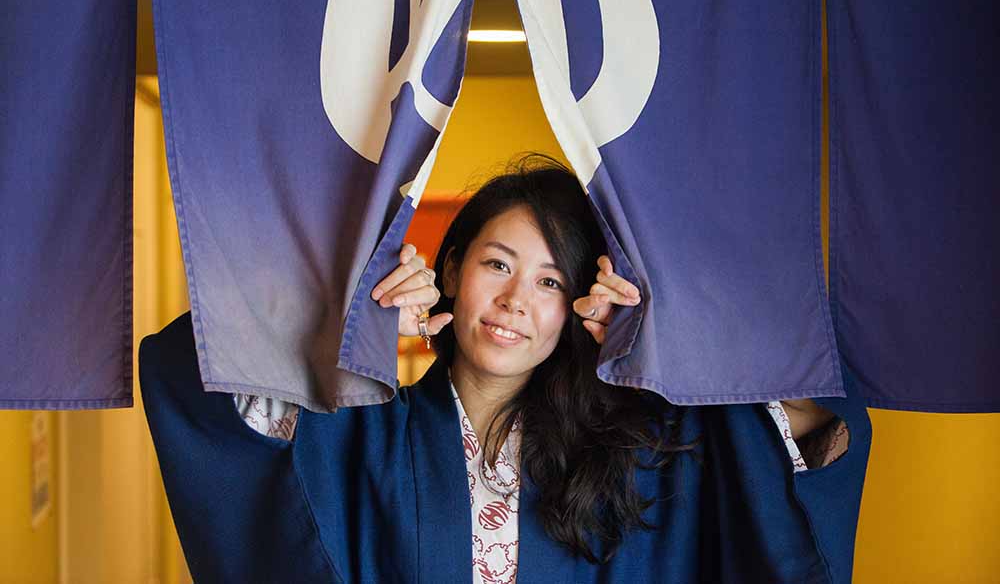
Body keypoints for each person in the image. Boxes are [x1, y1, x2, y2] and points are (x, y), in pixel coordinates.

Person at [140, 156, 870, 584]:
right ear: (452, 269)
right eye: (498, 264)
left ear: (579, 303)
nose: (517, 301)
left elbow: (813, 432)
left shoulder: (639, 447)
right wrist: (337, 324)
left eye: (552, 282)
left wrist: (680, 343)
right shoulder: (363, 431)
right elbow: (192, 376)